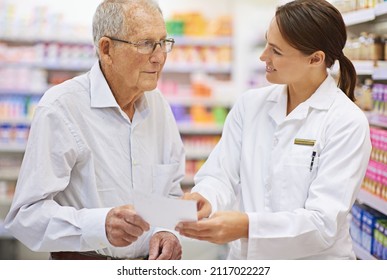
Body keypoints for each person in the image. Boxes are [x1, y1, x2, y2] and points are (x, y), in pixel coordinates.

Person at [176, 0, 372, 259]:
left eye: (276, 51)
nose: (263, 56)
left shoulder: (346, 122)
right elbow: (220, 174)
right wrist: (205, 196)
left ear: (315, 58)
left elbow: (322, 223)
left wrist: (247, 227)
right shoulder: (250, 105)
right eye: (267, 43)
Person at [5, 0, 185, 260]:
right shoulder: (61, 108)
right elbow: (26, 215)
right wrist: (99, 225)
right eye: (145, 44)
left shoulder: (159, 108)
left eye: (163, 42)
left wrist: (168, 231)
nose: (159, 57)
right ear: (106, 49)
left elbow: (171, 192)